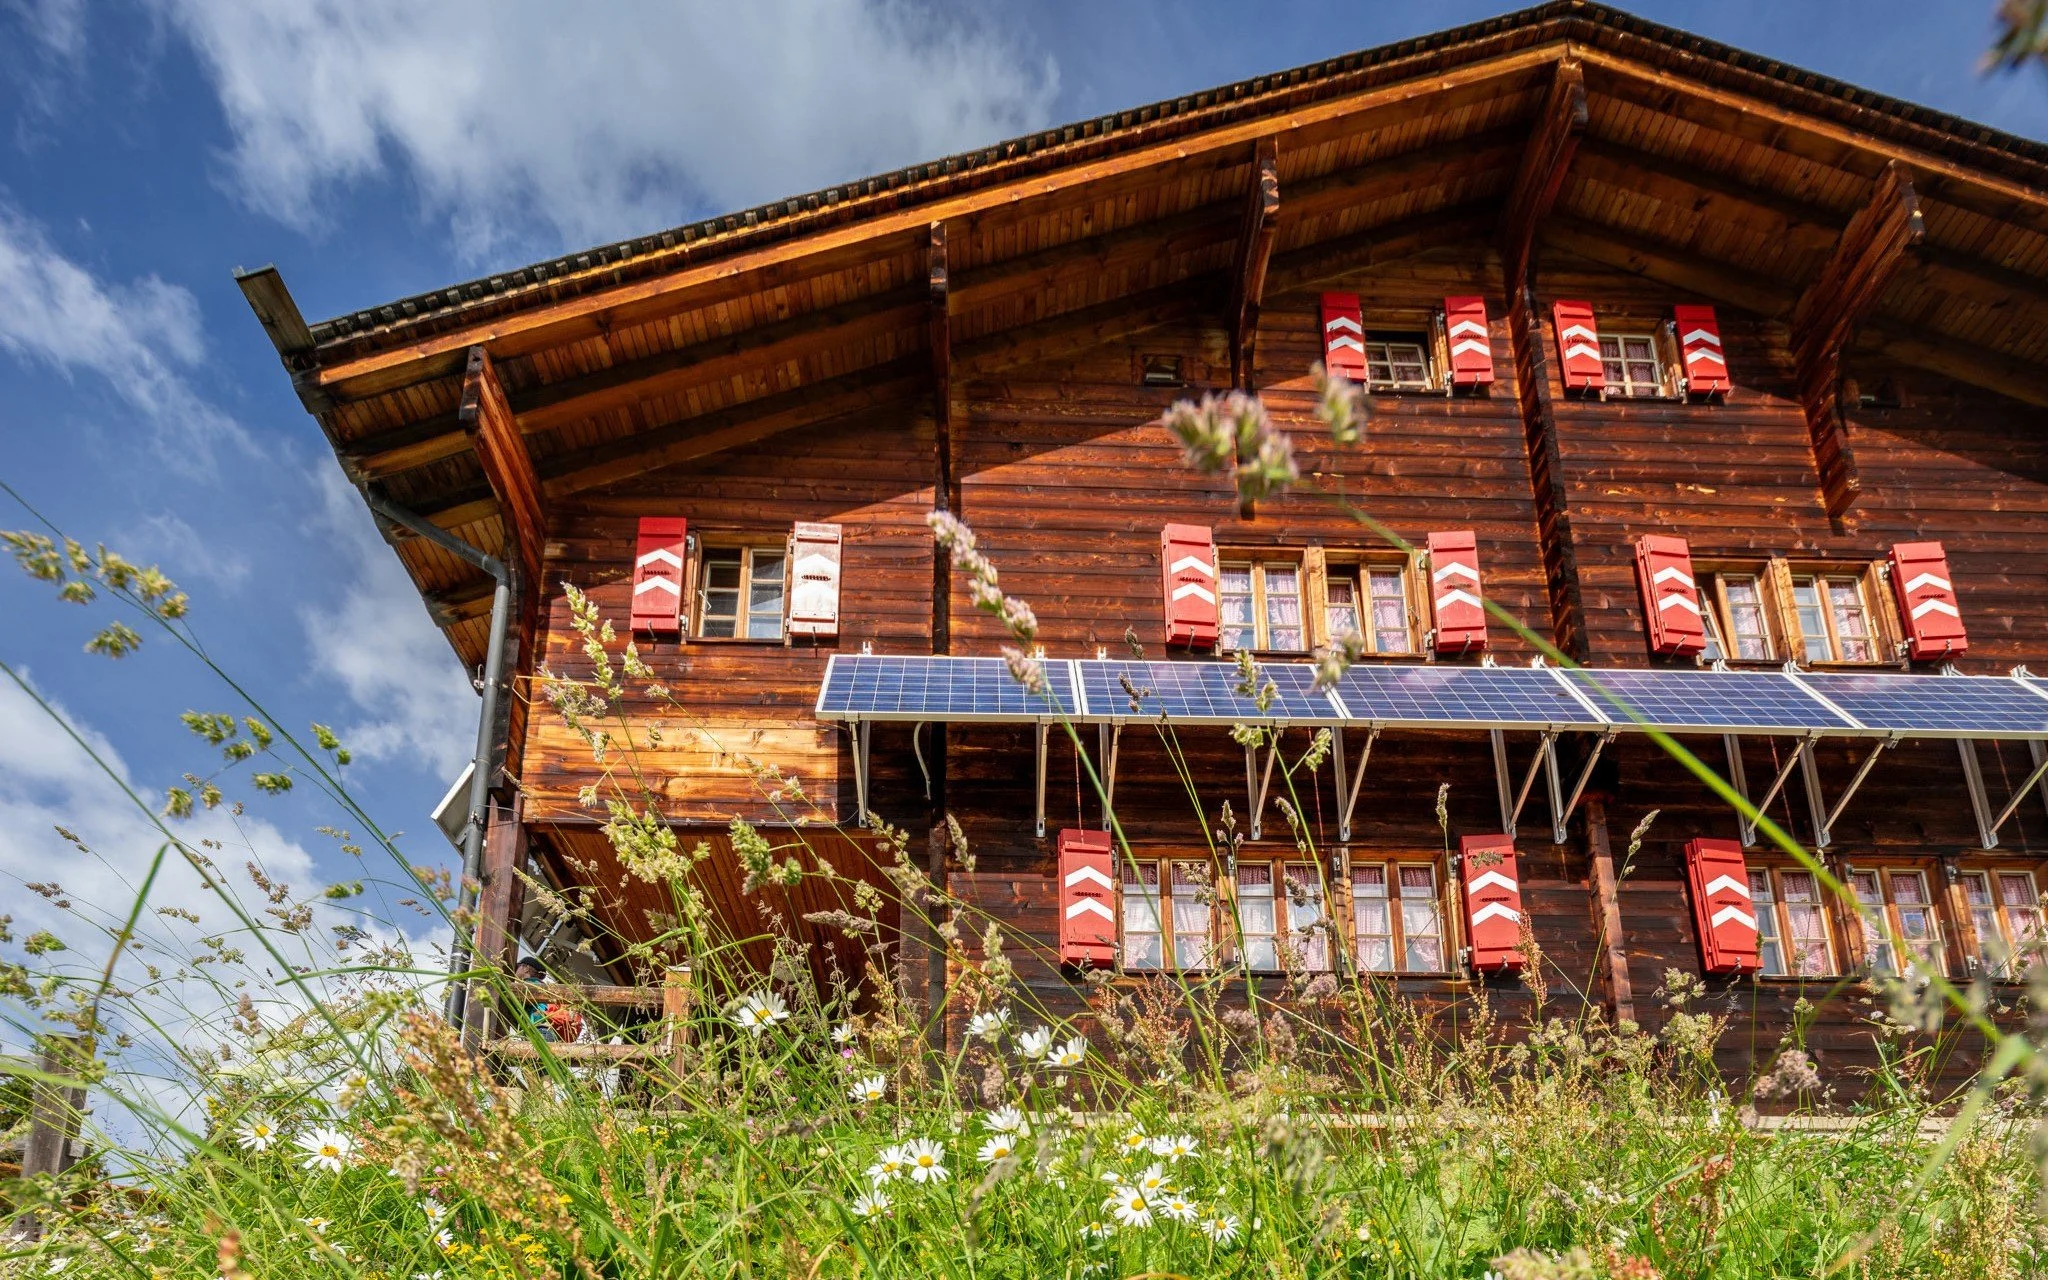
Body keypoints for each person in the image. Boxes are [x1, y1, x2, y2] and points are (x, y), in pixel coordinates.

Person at [513, 957, 583, 1043]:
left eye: (518, 967)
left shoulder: (530, 985)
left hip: (540, 1031)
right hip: (547, 1031)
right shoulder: (544, 987)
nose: (515, 970)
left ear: (526, 969)